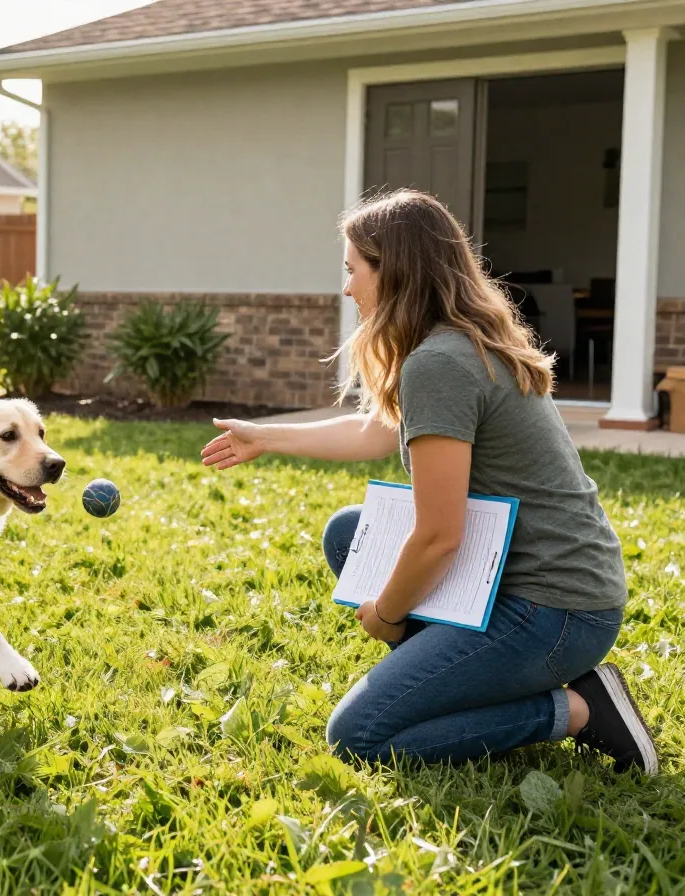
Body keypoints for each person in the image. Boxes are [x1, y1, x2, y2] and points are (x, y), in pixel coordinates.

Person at [201, 189, 658, 776]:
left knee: (359, 735)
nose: (347, 289)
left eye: (353, 271)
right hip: (525, 586)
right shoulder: (457, 342)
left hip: (554, 609)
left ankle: (577, 709)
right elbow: (375, 430)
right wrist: (265, 437)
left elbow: (440, 536)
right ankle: (459, 675)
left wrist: (390, 614)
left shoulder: (440, 363)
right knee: (350, 533)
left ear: (392, 273)